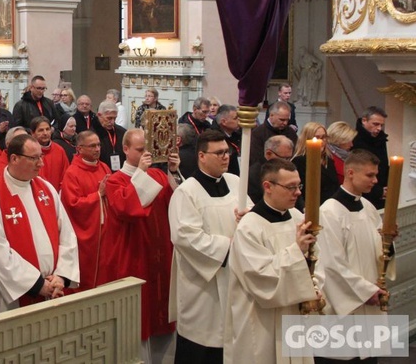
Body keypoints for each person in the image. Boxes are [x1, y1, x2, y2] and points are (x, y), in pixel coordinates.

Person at [223, 159, 320, 364]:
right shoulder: (250, 227)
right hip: (261, 322)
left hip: (294, 316)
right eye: (291, 187)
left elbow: (315, 260)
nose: (298, 193)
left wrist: (314, 286)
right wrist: (296, 251)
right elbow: (260, 277)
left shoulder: (296, 217)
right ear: (268, 187)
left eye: (299, 186)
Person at [0, 133, 79, 313]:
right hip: (15, 297)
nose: (41, 163)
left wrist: (61, 276)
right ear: (14, 158)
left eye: (41, 157)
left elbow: (67, 236)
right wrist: (38, 285)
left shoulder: (46, 189)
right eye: (34, 158)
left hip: (53, 287)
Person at [103, 128, 180, 361]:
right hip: (134, 255)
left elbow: (177, 202)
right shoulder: (115, 180)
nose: (145, 154)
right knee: (139, 317)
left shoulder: (157, 175)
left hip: (160, 255)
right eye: (139, 150)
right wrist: (142, 173)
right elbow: (127, 209)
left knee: (163, 315)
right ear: (125, 150)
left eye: (148, 149)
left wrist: (173, 171)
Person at [168, 130, 241, 363]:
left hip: (234, 276)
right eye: (219, 153)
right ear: (201, 156)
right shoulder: (186, 192)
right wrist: (228, 247)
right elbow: (184, 237)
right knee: (202, 344)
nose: (225, 157)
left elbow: (249, 220)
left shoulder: (236, 182)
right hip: (202, 283)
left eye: (227, 152)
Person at [317, 149, 394, 361]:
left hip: (370, 297)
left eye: (376, 175)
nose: (375, 180)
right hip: (347, 305)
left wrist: (388, 241)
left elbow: (377, 252)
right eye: (370, 175)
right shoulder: (329, 212)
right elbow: (331, 264)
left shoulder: (367, 207)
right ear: (350, 173)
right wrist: (366, 291)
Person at [60, 130, 111, 291]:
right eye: (92, 146)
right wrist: (98, 195)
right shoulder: (72, 173)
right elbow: (73, 204)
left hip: (106, 231)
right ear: (80, 149)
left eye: (98, 145)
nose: (97, 149)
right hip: (86, 234)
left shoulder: (104, 167)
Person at [291, 122, 339, 211]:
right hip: (311, 209)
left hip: (330, 208)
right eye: (317, 138)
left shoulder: (329, 161)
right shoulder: (300, 161)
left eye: (324, 137)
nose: (321, 141)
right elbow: (297, 189)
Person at [351, 106, 389, 209]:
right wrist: (378, 191)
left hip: (382, 195)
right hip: (364, 195)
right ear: (364, 120)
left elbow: (384, 165)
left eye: (381, 125)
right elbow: (358, 172)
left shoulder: (381, 139)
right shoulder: (355, 141)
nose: (379, 128)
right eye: (375, 124)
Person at [247, 135, 294, 205]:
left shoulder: (288, 169)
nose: (287, 163)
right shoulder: (253, 175)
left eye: (289, 158)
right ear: (268, 154)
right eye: (284, 159)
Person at [249, 101, 298, 166]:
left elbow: (295, 154)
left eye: (287, 120)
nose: (285, 123)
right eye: (282, 120)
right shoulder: (258, 133)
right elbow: (256, 160)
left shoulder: (291, 133)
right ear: (271, 115)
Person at [30, 116, 69, 191]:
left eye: (47, 129)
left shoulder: (59, 150)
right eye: (41, 130)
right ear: (32, 133)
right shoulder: (28, 151)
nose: (45, 133)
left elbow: (66, 176)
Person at [208, 104, 241, 176]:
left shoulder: (238, 135)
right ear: (224, 122)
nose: (239, 120)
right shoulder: (213, 139)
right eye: (235, 118)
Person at [93, 100, 126, 171]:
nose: (112, 122)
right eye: (109, 118)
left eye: (115, 118)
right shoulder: (91, 134)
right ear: (99, 115)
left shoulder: (122, 132)